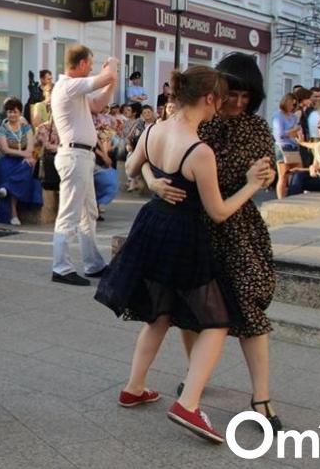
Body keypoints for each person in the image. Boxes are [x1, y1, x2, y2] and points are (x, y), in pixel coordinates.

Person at [97, 66, 272, 444]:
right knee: (216, 321)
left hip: (151, 227)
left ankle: (135, 386)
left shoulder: (154, 129)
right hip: (184, 234)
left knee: (159, 314)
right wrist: (251, 185)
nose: (222, 107)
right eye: (221, 99)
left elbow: (131, 167)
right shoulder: (199, 151)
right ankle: (189, 405)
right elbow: (220, 212)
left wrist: (154, 181)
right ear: (209, 99)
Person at [146, 52, 285, 433]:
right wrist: (152, 180)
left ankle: (261, 398)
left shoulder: (256, 129)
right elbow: (149, 152)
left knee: (250, 306)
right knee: (193, 309)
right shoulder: (198, 123)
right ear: (216, 92)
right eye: (232, 94)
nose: (239, 103)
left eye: (247, 96)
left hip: (238, 229)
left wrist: (263, 176)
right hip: (196, 226)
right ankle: (196, 380)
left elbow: (263, 176)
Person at [50, 45, 118, 286]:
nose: (91, 67)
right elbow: (106, 76)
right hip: (75, 156)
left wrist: (110, 81)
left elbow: (98, 105)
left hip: (82, 156)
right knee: (69, 213)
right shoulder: (68, 85)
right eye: (89, 63)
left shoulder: (74, 89)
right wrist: (111, 64)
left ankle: (93, 264)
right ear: (79, 64)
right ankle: (61, 267)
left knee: (88, 213)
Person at [0, 98, 40, 226]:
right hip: (6, 159)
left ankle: (6, 187)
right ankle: (13, 214)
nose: (12, 115)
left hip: (21, 159)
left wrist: (27, 155)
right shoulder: (2, 129)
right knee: (8, 170)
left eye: (15, 112)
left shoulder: (26, 128)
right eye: (9, 112)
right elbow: (5, 149)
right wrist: (24, 154)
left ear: (20, 113)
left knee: (27, 165)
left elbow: (30, 146)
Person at [272, 93, 303, 199]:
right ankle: (281, 200)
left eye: (295, 105)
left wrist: (293, 132)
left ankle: (293, 197)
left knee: (298, 173)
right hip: (283, 147)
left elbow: (298, 131)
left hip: (294, 146)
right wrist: (292, 131)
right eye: (291, 104)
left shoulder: (293, 116)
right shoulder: (278, 116)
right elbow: (279, 135)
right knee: (283, 175)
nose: (293, 107)